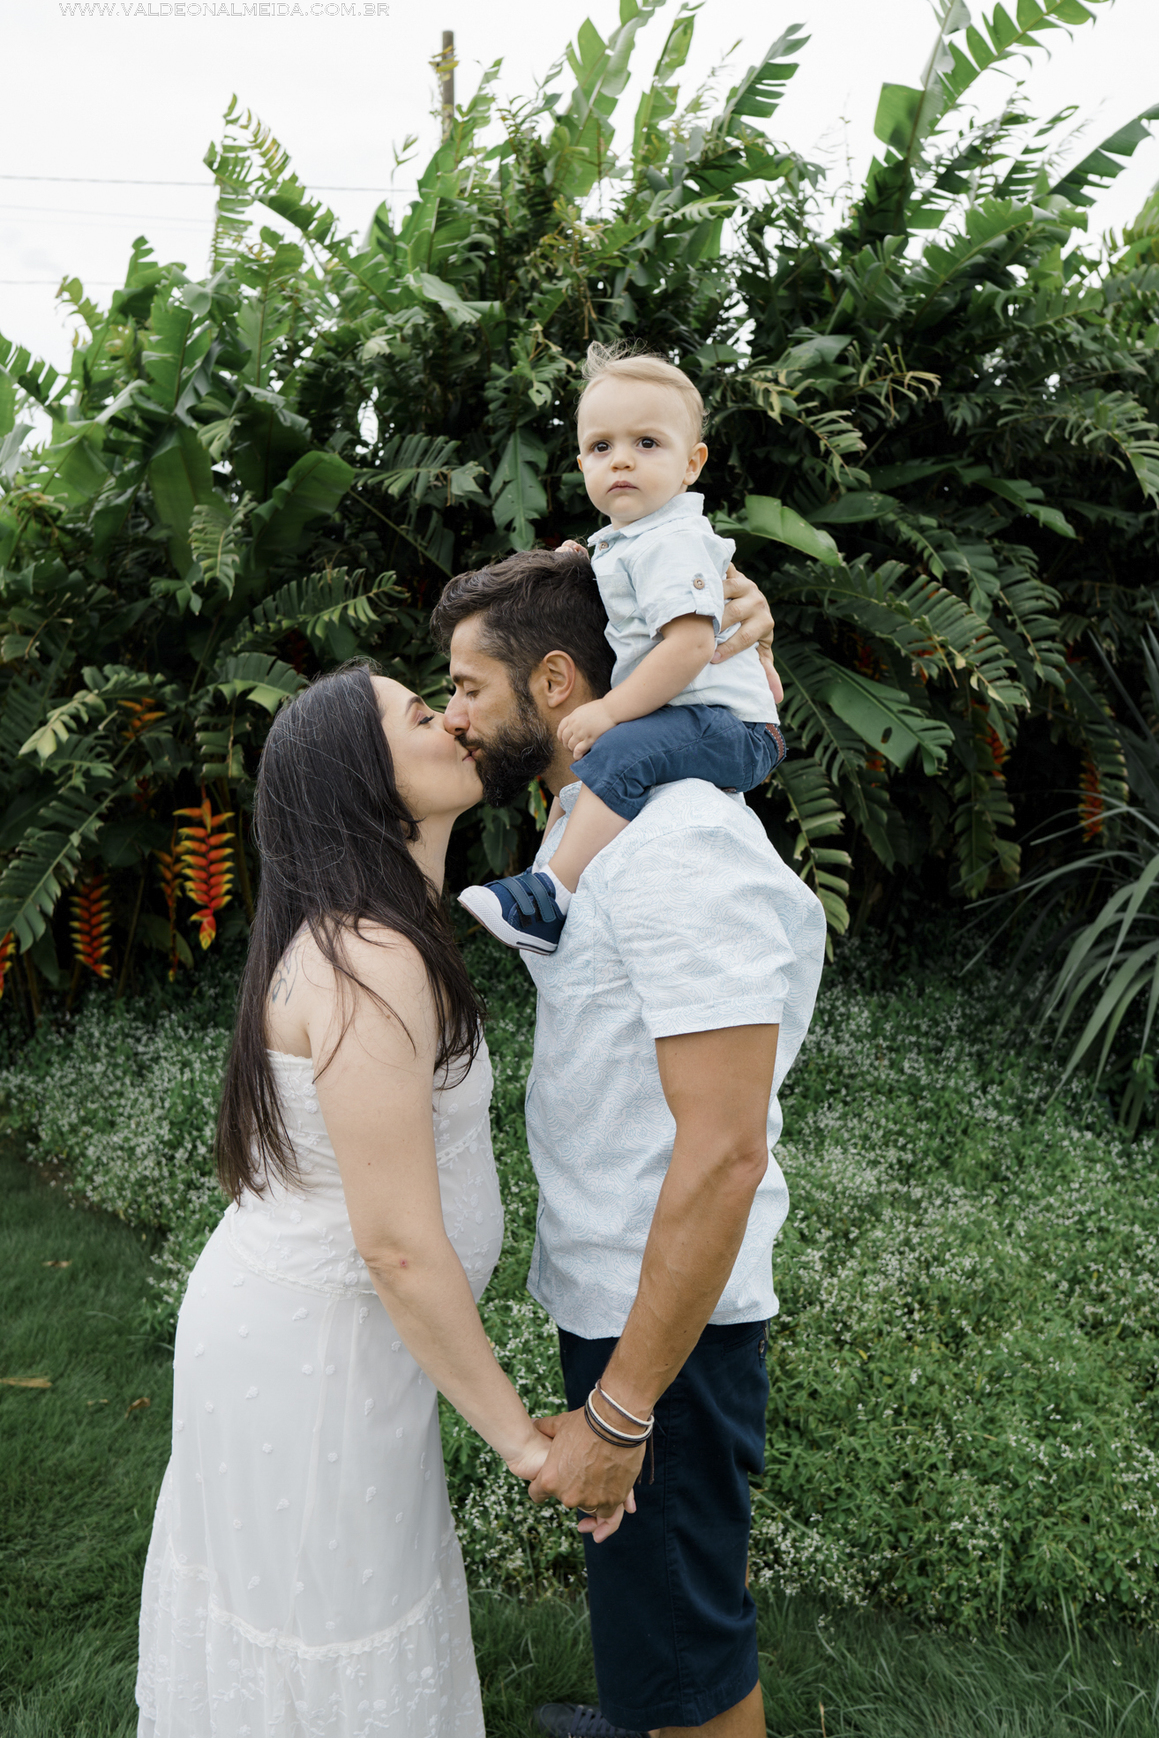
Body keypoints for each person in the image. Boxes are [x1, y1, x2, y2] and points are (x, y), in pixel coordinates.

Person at [135, 662, 627, 1738]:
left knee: (316, 1626)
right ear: (368, 780)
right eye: (420, 714)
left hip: (326, 1342)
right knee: (329, 1633)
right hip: (316, 1363)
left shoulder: (379, 927)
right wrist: (528, 1446)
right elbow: (397, 1244)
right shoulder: (367, 956)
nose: (454, 718)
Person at [433, 552, 826, 1738]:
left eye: (467, 688)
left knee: (690, 1641)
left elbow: (725, 1153)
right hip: (620, 1284)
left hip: (671, 1324)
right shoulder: (594, 816)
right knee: (650, 1597)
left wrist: (620, 1411)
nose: (454, 717)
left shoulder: (681, 845)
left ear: (556, 684)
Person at [459, 343, 785, 956]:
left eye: (647, 443)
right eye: (602, 446)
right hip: (710, 716)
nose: (622, 460)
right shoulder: (630, 540)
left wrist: (609, 710)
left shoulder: (672, 540)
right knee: (610, 759)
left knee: (621, 749)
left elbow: (689, 645)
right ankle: (554, 874)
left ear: (692, 464)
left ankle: (551, 894)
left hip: (734, 729)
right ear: (582, 461)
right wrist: (578, 565)